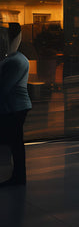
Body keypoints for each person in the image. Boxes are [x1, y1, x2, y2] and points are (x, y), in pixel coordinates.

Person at [1, 24, 32, 187]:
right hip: (16, 107)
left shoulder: (15, 61)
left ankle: (18, 177)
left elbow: (4, 87)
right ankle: (17, 176)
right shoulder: (15, 59)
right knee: (15, 143)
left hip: (14, 108)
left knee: (15, 144)